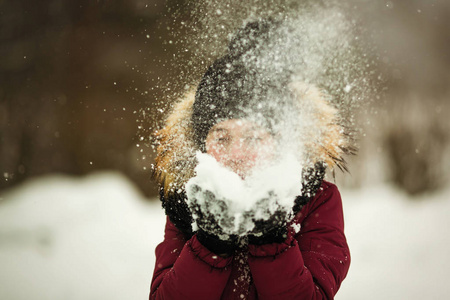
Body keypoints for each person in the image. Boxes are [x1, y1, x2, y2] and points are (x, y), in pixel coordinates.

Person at [150, 19, 352, 300]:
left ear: (280, 142)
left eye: (254, 137)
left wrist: (271, 239)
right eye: (222, 137)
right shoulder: (189, 200)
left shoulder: (317, 200)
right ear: (202, 145)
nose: (237, 154)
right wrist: (210, 243)